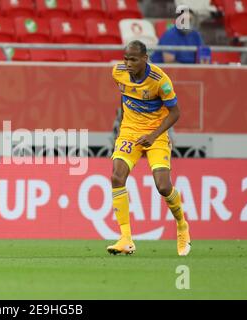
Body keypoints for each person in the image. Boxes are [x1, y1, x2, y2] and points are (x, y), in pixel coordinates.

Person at [107, 40, 191, 256]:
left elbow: (175, 112)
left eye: (133, 59)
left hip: (156, 135)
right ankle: (126, 238)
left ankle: (182, 225)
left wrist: (153, 135)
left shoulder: (160, 81)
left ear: (145, 58)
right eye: (126, 58)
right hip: (129, 132)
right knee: (117, 177)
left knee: (163, 186)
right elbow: (128, 97)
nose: (128, 63)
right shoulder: (117, 72)